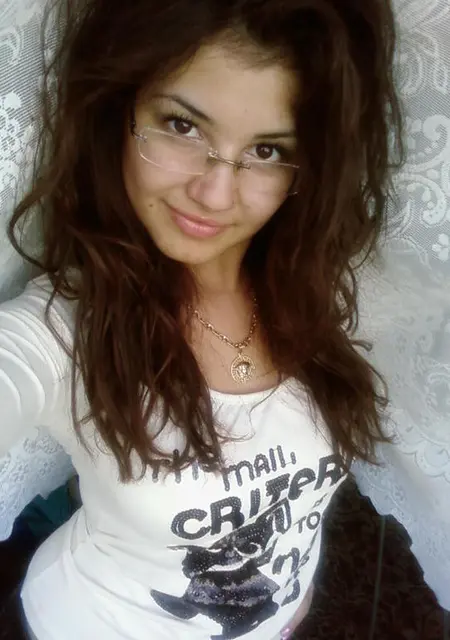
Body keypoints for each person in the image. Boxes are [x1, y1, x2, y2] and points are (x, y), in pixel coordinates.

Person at [0, 0, 403, 638]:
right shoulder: (64, 330)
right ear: (120, 112)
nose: (215, 193)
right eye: (182, 126)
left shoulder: (312, 292)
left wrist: (292, 596)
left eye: (266, 149)